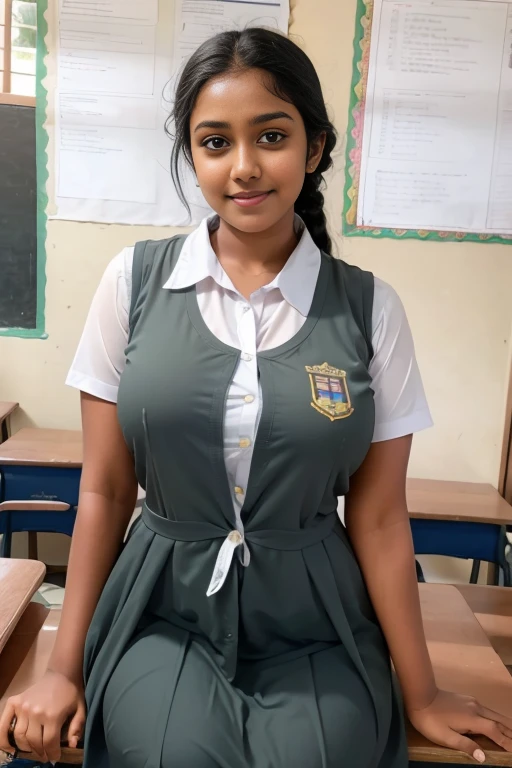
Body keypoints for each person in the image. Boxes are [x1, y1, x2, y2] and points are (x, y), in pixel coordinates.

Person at [1, 27, 511, 768]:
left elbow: (376, 516)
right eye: (214, 143)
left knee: (325, 754)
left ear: (315, 148)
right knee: (168, 753)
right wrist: (61, 670)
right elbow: (108, 490)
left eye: (271, 136)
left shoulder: (369, 309)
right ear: (193, 155)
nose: (243, 167)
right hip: (161, 611)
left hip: (317, 619)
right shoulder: (133, 283)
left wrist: (423, 691)